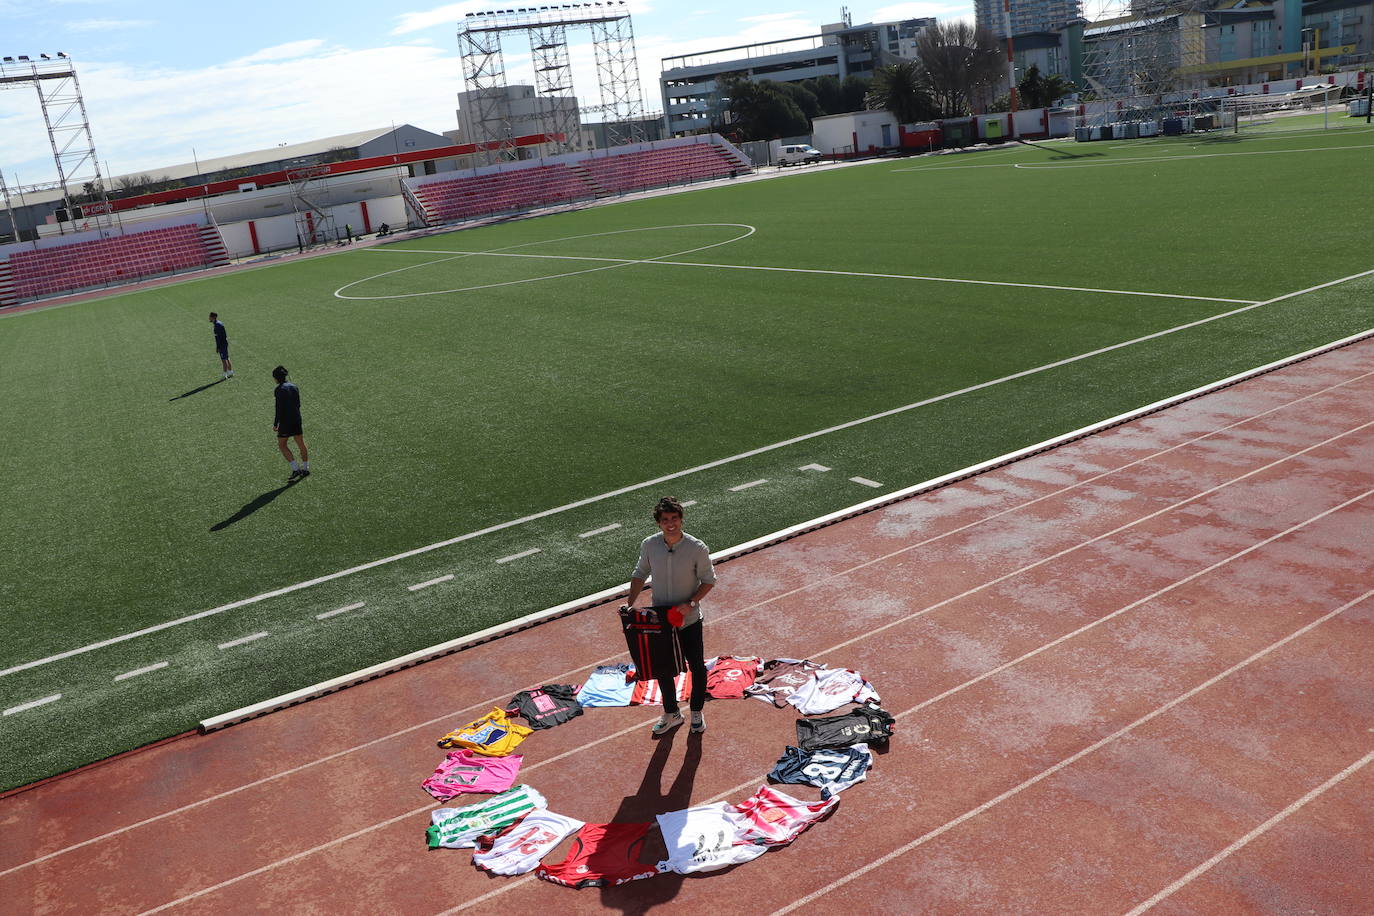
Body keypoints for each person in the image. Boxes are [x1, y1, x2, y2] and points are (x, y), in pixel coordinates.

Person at [624, 496, 715, 735]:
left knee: (696, 666)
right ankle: (672, 712)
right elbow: (639, 574)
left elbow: (709, 581)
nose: (670, 523)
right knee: (663, 669)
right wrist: (629, 604)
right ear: (659, 523)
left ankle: (696, 711)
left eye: (674, 518)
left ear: (681, 520)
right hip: (661, 623)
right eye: (665, 520)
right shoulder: (649, 545)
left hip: (690, 620)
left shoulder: (697, 548)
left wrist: (691, 602)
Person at [271, 365, 310, 481]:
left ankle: (295, 469)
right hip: (297, 419)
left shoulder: (278, 390)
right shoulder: (294, 386)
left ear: (277, 378)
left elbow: (279, 408)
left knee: (282, 445)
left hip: (285, 422)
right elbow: (298, 404)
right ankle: (306, 468)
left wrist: (275, 423)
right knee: (301, 443)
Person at [210, 312, 233, 378]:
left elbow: (219, 338)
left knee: (223, 359)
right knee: (227, 357)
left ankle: (225, 374)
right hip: (224, 343)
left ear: (213, 317)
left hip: (222, 344)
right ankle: (230, 372)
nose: (209, 318)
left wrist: (218, 347)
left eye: (210, 317)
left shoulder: (217, 325)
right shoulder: (218, 323)